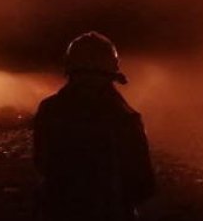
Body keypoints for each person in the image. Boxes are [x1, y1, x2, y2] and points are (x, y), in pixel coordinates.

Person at [33, 31, 155, 220]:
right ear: (111, 73)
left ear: (70, 70)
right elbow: (143, 185)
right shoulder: (124, 118)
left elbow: (41, 163)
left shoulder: (49, 110)